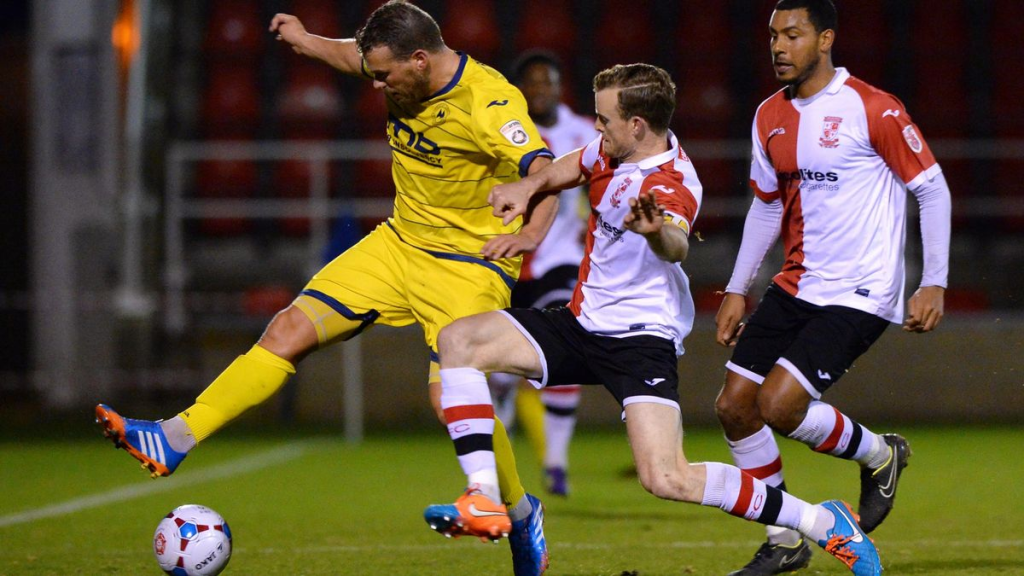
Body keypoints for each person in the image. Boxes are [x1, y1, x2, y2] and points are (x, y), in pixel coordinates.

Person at [94, 2, 555, 574]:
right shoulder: (397, 66)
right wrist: (306, 38)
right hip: (399, 244)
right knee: (287, 328)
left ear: (419, 60)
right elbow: (349, 57)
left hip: (470, 264)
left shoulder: (489, 101)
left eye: (384, 75)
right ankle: (174, 437)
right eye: (373, 73)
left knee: (448, 400)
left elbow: (545, 169)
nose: (377, 85)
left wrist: (530, 232)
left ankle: (519, 511)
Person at [428, 62, 883, 576]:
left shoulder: (671, 182)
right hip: (580, 325)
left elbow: (677, 243)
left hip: (639, 342)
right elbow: (570, 165)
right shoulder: (611, 148)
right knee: (458, 341)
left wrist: (654, 232)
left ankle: (821, 521)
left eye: (604, 120)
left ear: (637, 125)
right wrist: (527, 187)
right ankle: (485, 495)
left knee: (667, 478)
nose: (596, 128)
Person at [713, 1, 951, 574]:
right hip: (797, 283)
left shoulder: (873, 107)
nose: (778, 46)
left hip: (862, 290)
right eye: (773, 35)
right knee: (735, 408)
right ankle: (784, 538)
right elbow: (765, 206)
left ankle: (879, 453)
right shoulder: (769, 114)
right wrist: (737, 288)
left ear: (825, 39)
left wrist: (934, 281)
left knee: (779, 405)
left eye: (792, 35)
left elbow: (932, 189)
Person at [487, 50, 598, 497]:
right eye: (531, 82)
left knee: (566, 345)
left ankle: (555, 462)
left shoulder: (583, 132)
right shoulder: (501, 132)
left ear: (559, 87)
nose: (540, 90)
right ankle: (500, 463)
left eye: (547, 81)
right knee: (499, 369)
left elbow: (609, 184)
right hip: (506, 259)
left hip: (559, 258)